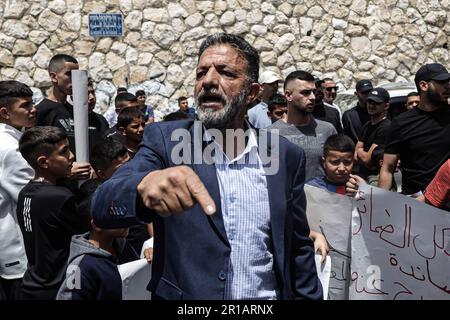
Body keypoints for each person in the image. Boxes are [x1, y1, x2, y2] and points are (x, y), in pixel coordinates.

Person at [91, 33, 322, 300]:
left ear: (253, 93)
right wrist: (142, 187)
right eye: (201, 73)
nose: (209, 81)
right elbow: (103, 205)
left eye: (225, 73)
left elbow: (297, 247)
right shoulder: (166, 142)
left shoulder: (284, 155)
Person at [17, 126, 91, 299]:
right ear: (43, 162)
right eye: (64, 152)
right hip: (58, 288)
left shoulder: (26, 192)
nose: (72, 156)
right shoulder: (59, 197)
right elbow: (89, 231)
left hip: (33, 284)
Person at [378, 63, 450, 196]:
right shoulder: (401, 123)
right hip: (416, 205)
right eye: (441, 82)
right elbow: (387, 168)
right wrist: (381, 204)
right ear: (423, 86)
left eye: (448, 81)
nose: (448, 86)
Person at [0, 81, 36, 300]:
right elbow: (31, 196)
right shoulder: (10, 148)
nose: (33, 110)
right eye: (25, 106)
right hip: (15, 249)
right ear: (5, 112)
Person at [268, 70, 337, 181]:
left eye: (314, 92)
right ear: (288, 95)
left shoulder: (328, 130)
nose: (313, 97)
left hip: (321, 197)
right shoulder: (269, 134)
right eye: (306, 92)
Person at [355, 87, 391, 180]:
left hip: (376, 179)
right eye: (369, 102)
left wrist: (360, 153)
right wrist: (360, 153)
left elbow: (367, 159)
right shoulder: (367, 125)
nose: (371, 105)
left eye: (376, 103)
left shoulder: (386, 127)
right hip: (363, 176)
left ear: (386, 106)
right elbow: (356, 154)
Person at [35, 54, 79, 127]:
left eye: (76, 75)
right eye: (69, 74)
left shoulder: (75, 110)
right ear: (54, 77)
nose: (75, 79)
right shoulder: (41, 111)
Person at [342, 79, 373, 144]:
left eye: (369, 92)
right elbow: (347, 139)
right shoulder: (349, 116)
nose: (367, 95)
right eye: (364, 92)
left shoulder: (380, 112)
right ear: (356, 94)